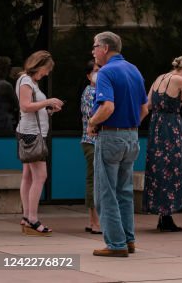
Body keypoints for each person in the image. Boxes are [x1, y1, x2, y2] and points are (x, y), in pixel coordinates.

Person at [86, 31, 149, 257]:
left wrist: (92, 123)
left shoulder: (106, 72)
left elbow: (107, 107)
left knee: (106, 192)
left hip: (110, 136)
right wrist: (129, 127)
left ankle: (115, 244)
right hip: (132, 137)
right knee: (124, 191)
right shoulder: (133, 70)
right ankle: (128, 239)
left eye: (94, 46)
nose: (93, 51)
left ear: (104, 48)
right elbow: (144, 108)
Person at [143, 53, 182, 232]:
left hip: (156, 127)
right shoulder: (178, 79)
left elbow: (147, 104)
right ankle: (167, 215)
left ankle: (163, 215)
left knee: (159, 169)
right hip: (171, 128)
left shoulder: (159, 78)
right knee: (172, 168)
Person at [16, 50, 62, 236]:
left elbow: (33, 109)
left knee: (28, 175)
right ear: (40, 65)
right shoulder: (26, 81)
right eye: (47, 69)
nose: (47, 73)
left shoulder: (30, 82)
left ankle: (27, 216)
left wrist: (49, 109)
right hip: (31, 134)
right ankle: (33, 218)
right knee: (40, 176)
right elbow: (25, 106)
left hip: (33, 133)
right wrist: (48, 101)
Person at [80, 59, 102, 234]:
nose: (99, 73)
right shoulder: (91, 92)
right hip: (91, 142)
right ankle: (95, 222)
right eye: (95, 71)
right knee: (94, 181)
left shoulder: (101, 90)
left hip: (97, 141)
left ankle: (93, 221)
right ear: (89, 76)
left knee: (97, 181)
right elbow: (93, 116)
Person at [0, 55, 19, 133]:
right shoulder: (5, 85)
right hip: (3, 122)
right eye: (9, 67)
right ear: (5, 69)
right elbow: (17, 104)